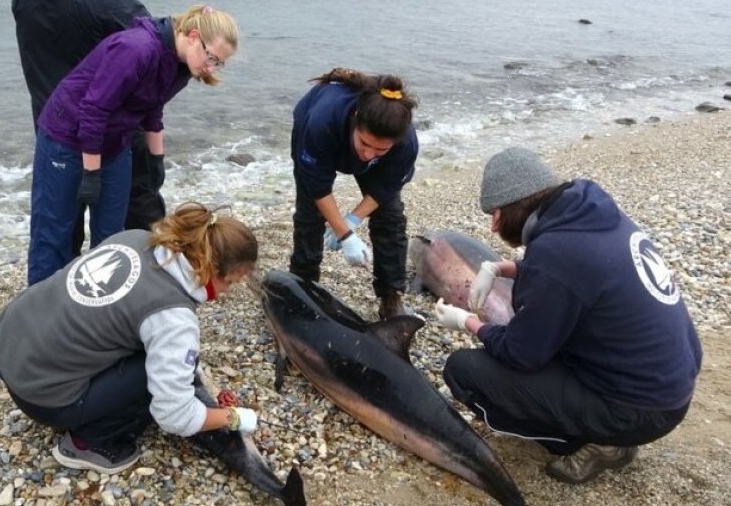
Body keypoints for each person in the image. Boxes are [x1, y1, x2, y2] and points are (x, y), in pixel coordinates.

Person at [435, 147, 702, 484]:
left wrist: (467, 322)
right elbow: (580, 274)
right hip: (668, 384)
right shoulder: (592, 213)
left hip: (641, 409)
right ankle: (607, 428)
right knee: (542, 331)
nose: (492, 227)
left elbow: (520, 354)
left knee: (464, 370)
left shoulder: (555, 253)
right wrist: (503, 268)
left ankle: (595, 442)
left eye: (496, 214)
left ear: (513, 209)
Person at [0, 202, 260, 474]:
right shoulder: (173, 317)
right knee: (154, 375)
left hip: (6, 348)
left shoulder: (135, 238)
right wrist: (234, 417)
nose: (227, 292)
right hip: (41, 397)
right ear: (208, 268)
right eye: (231, 282)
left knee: (159, 352)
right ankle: (89, 443)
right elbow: (174, 415)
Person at [28, 4, 238, 285]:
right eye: (211, 57)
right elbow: (93, 109)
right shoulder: (136, 49)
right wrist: (91, 173)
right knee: (55, 233)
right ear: (192, 35)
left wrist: (156, 159)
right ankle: (40, 314)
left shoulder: (183, 65)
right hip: (66, 138)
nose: (211, 67)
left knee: (112, 236)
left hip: (116, 142)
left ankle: (100, 307)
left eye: (218, 63)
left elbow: (153, 106)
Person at [11, 0, 164, 249]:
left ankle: (58, 297)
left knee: (57, 230)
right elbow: (151, 41)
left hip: (51, 125)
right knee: (132, 222)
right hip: (110, 131)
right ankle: (133, 295)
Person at [288, 68, 419, 319]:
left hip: (365, 148)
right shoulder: (322, 121)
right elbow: (317, 187)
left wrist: (353, 219)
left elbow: (384, 188)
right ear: (356, 120)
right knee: (309, 215)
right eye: (365, 143)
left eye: (380, 149)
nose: (369, 155)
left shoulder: (405, 144)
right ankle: (302, 286)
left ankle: (391, 296)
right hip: (317, 134)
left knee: (390, 217)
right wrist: (345, 234)